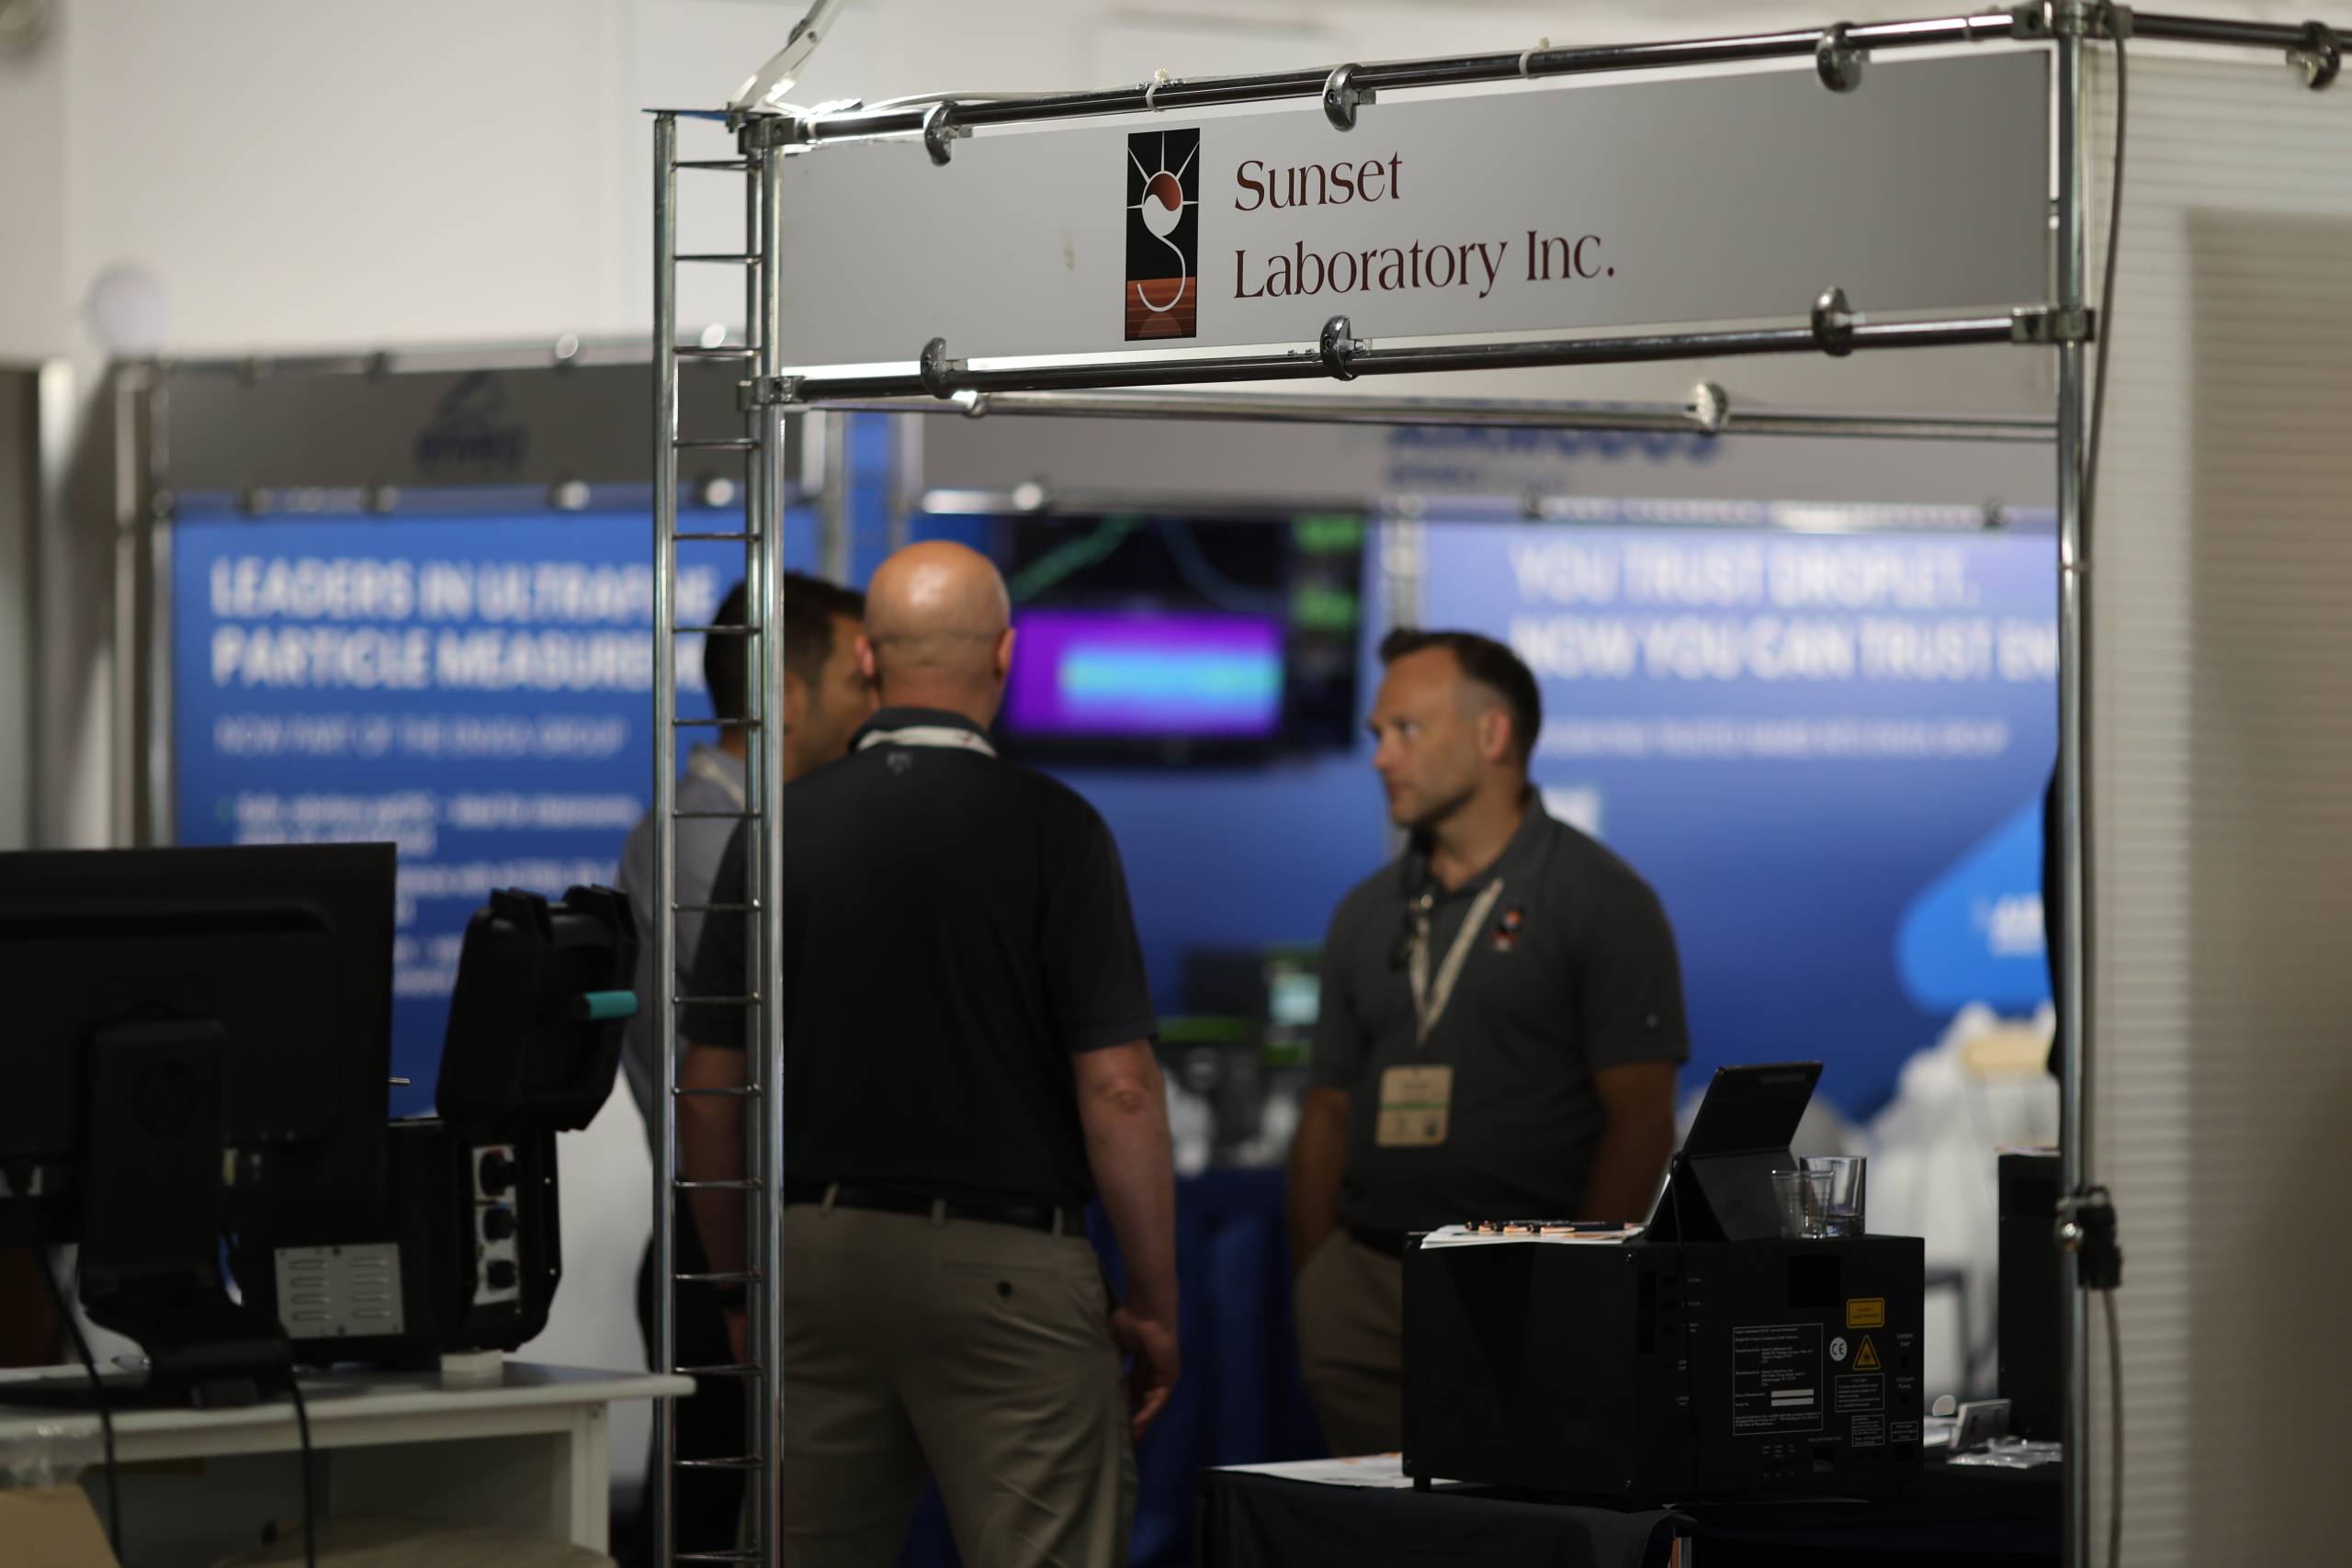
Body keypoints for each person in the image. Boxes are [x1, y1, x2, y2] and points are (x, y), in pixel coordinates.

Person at [679, 540, 1180, 1568]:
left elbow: (709, 1090)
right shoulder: (1060, 829)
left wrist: (735, 1290)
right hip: (1012, 1274)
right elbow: (1121, 1090)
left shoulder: (773, 830)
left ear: (869, 659)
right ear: (1005, 655)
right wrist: (1153, 1301)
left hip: (817, 1263)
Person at [1286, 628, 1689, 1456]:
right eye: (1377, 734)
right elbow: (1326, 1111)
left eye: (1406, 729)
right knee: (1368, 1523)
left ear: (1493, 733)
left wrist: (1580, 1294)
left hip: (1528, 1294)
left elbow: (1643, 1123)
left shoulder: (1603, 900)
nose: (1380, 756)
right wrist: (1318, 1283)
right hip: (1363, 1294)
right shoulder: (1366, 911)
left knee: (1503, 1515)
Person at [616, 570, 871, 1559]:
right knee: (719, 1532)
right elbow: (778, 1051)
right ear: (790, 698)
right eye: (859, 684)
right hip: (722, 1244)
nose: (876, 708)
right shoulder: (709, 841)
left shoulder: (752, 832)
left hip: (755, 1239)